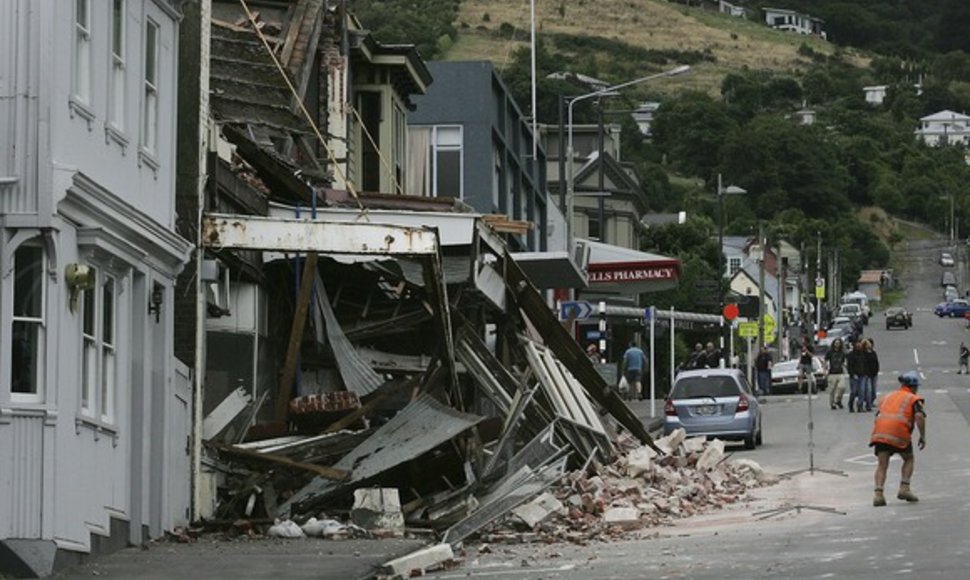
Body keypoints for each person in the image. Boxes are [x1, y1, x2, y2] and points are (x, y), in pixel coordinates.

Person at [869, 371, 926, 506]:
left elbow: (878, 414)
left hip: (880, 433)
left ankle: (878, 494)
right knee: (909, 458)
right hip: (898, 433)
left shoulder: (888, 396)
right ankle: (904, 488)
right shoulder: (913, 399)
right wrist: (923, 436)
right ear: (913, 386)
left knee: (882, 464)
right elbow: (919, 417)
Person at [825, 338, 848, 409]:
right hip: (832, 373)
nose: (837, 344)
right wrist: (825, 369)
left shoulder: (842, 352)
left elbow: (845, 362)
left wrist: (847, 368)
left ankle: (838, 400)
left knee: (842, 387)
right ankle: (832, 404)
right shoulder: (830, 352)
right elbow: (825, 360)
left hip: (840, 372)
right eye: (836, 343)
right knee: (832, 390)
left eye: (838, 343)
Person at [847, 340, 866, 413]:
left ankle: (860, 406)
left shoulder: (863, 354)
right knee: (854, 392)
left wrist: (865, 372)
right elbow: (849, 366)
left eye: (860, 344)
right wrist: (852, 374)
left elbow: (865, 364)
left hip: (862, 375)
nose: (858, 346)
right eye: (857, 344)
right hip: (854, 376)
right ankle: (851, 404)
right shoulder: (851, 355)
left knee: (862, 391)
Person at [862, 339, 880, 411]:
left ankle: (871, 401)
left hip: (874, 374)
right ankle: (868, 404)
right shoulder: (863, 354)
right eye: (867, 344)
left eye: (869, 344)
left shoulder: (873, 353)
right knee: (868, 390)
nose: (869, 345)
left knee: (873, 391)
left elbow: (876, 362)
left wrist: (877, 370)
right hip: (867, 374)